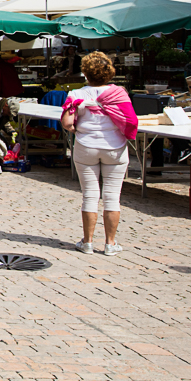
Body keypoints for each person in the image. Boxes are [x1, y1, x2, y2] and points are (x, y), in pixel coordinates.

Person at [61, 51, 135, 256]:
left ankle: (87, 242)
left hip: (86, 147)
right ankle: (110, 244)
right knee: (112, 197)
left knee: (90, 196)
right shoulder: (119, 92)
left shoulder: (76, 94)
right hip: (114, 147)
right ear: (110, 72)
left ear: (85, 73)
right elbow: (130, 120)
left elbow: (67, 123)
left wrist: (79, 129)